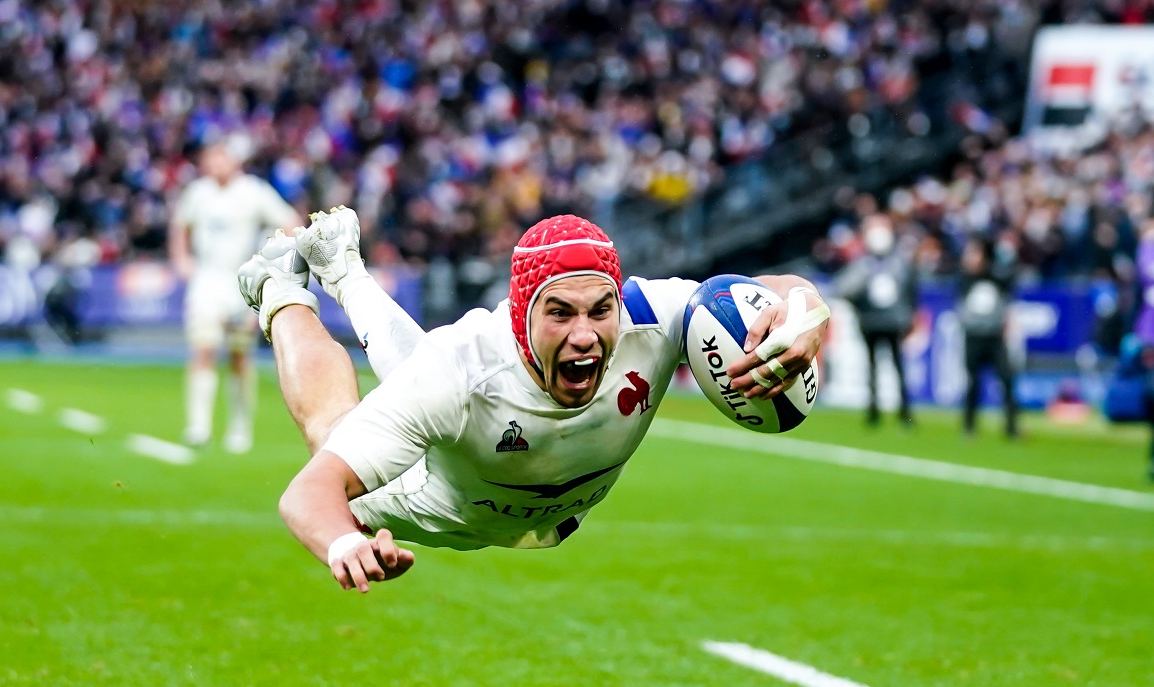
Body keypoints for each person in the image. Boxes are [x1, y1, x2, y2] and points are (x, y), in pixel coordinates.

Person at [236, 208, 830, 591]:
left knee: (414, 374)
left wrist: (805, 314)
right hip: (439, 502)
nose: (584, 334)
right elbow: (307, 493)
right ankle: (280, 288)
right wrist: (345, 545)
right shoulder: (463, 368)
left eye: (601, 310)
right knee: (333, 432)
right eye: (560, 312)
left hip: (534, 497)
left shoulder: (657, 315)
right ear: (520, 316)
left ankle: (343, 268)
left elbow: (764, 290)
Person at [168, 135, 301, 452]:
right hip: (207, 280)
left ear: (234, 160)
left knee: (240, 355)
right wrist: (181, 260)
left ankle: (239, 428)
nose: (214, 165)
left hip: (242, 281)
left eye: (220, 158)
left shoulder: (253, 191)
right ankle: (198, 427)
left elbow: (290, 223)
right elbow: (179, 226)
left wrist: (273, 265)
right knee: (203, 348)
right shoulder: (198, 192)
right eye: (209, 158)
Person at [831, 213, 917, 426]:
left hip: (892, 322)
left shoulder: (898, 262)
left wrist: (907, 317)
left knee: (897, 367)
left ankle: (904, 412)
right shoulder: (863, 264)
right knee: (873, 368)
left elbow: (909, 292)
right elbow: (844, 289)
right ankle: (874, 411)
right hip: (870, 321)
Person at [957, 235, 1020, 437]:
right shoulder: (965, 279)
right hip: (974, 336)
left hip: (994, 336)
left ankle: (1011, 427)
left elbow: (1009, 284)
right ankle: (969, 426)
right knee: (973, 382)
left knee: (1007, 379)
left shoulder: (997, 276)